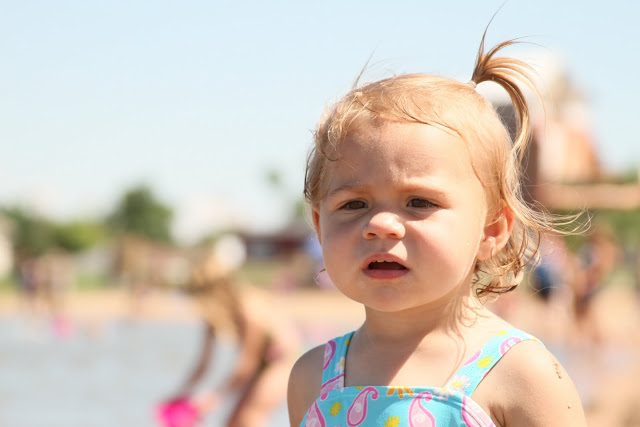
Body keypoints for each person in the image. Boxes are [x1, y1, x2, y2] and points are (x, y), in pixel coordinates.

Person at [287, 30, 586, 427]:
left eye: (419, 202)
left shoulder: (521, 375)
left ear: (491, 230)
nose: (380, 225)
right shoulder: (312, 378)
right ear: (320, 225)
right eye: (354, 204)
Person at [158, 238, 300, 427]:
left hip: (284, 363)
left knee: (250, 416)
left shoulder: (250, 309)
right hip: (260, 365)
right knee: (231, 422)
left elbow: (247, 363)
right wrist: (180, 393)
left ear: (216, 292)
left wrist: (215, 396)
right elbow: (202, 365)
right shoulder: (214, 315)